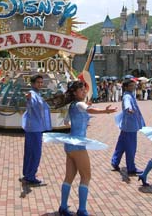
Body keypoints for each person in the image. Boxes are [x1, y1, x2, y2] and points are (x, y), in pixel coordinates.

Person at [43, 81, 117, 216]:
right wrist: (105, 111)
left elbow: (69, 120)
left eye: (84, 90)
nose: (84, 92)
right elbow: (88, 109)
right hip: (78, 144)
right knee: (86, 176)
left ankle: (63, 207)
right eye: (81, 90)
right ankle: (82, 210)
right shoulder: (79, 104)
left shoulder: (72, 105)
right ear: (75, 93)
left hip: (70, 144)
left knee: (69, 177)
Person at [21, 74, 52, 184]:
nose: (40, 84)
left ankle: (26, 173)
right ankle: (30, 177)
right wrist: (28, 98)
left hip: (32, 127)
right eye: (38, 82)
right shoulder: (33, 94)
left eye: (41, 82)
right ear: (33, 83)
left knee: (29, 152)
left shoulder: (37, 94)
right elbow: (31, 102)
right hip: (34, 129)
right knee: (35, 153)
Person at [111, 79, 145, 175]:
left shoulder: (129, 95)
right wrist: (129, 110)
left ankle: (115, 161)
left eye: (134, 85)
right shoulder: (127, 96)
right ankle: (131, 168)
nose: (133, 87)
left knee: (121, 145)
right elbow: (127, 105)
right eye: (131, 85)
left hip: (126, 126)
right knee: (131, 147)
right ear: (126, 87)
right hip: (130, 126)